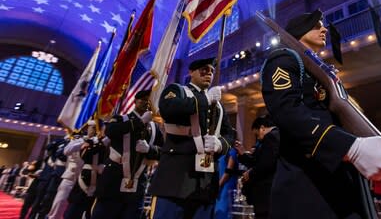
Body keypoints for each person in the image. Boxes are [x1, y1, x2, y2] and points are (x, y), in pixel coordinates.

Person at [261, 9, 381, 218]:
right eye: (316, 25)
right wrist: (350, 147)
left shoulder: (321, 69)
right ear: (300, 30)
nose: (324, 29)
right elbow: (288, 112)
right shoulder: (283, 58)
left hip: (339, 173)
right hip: (309, 180)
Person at [149, 57, 235, 219]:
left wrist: (219, 145)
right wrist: (205, 99)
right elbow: (169, 109)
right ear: (191, 72)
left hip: (205, 184)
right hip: (175, 181)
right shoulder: (178, 91)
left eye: (211, 71)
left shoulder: (218, 106)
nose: (208, 73)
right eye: (204, 69)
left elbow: (229, 134)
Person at [91, 89, 164, 219]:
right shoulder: (120, 118)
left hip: (138, 181)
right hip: (114, 179)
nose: (146, 102)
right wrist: (140, 122)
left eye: (149, 100)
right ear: (135, 101)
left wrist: (149, 150)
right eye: (143, 99)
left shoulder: (154, 128)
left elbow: (162, 151)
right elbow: (110, 131)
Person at [236, 115, 279, 219]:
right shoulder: (272, 137)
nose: (258, 138)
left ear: (262, 128)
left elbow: (266, 164)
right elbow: (257, 160)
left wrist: (250, 173)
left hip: (266, 190)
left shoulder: (271, 136)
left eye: (257, 134)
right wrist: (242, 154)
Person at [64, 120, 108, 219]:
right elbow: (83, 155)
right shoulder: (88, 141)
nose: (89, 130)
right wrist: (95, 142)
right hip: (84, 177)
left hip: (99, 179)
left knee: (89, 210)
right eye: (89, 128)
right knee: (74, 209)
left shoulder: (105, 143)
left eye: (92, 128)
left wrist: (100, 143)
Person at [46, 131, 84, 219]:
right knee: (60, 200)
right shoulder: (75, 142)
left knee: (75, 205)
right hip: (70, 174)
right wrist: (81, 142)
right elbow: (64, 152)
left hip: (84, 177)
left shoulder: (93, 141)